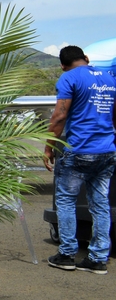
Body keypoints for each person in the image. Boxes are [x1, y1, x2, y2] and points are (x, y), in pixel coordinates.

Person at [44, 45, 116, 274]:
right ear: (86, 58)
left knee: (66, 200)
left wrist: (48, 148)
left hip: (79, 150)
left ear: (62, 65)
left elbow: (59, 116)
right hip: (106, 150)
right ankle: (98, 258)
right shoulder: (109, 78)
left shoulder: (69, 78)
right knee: (100, 203)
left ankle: (66, 254)